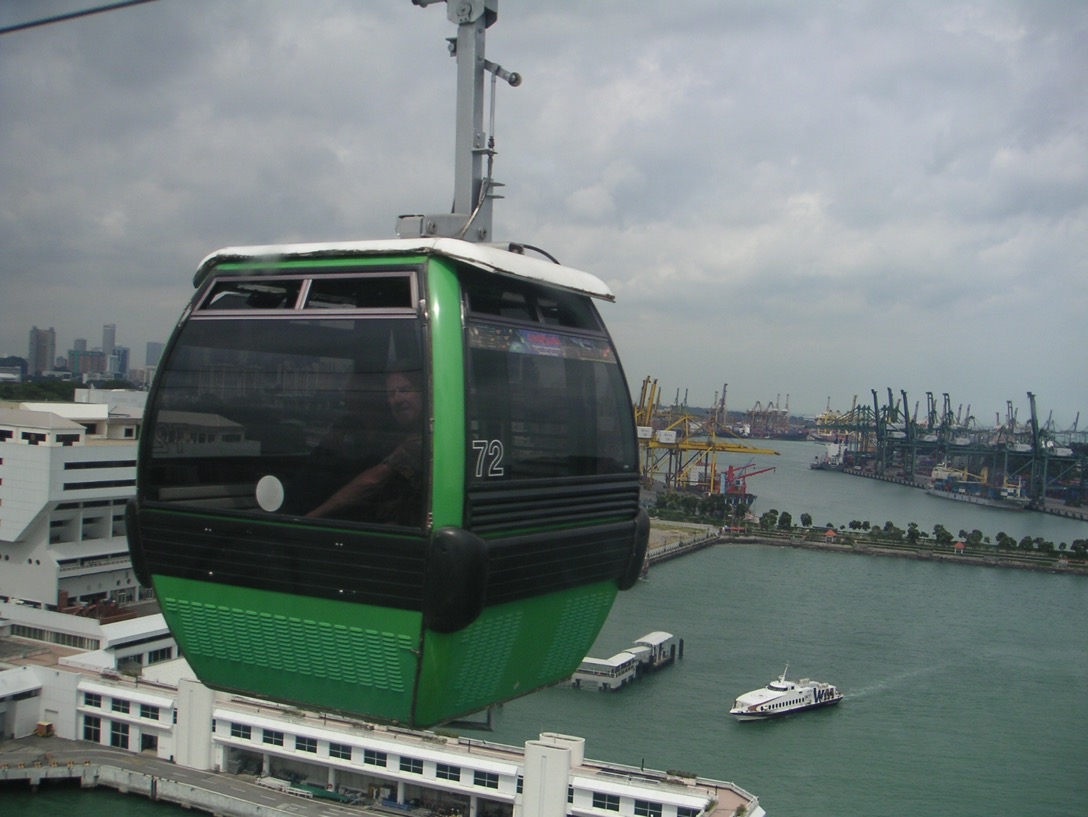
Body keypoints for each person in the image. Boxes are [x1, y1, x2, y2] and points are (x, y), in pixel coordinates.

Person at [306, 369, 424, 524]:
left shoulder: (422, 439)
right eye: (391, 394)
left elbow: (372, 482)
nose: (397, 399)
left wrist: (310, 518)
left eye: (405, 390)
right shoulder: (350, 428)